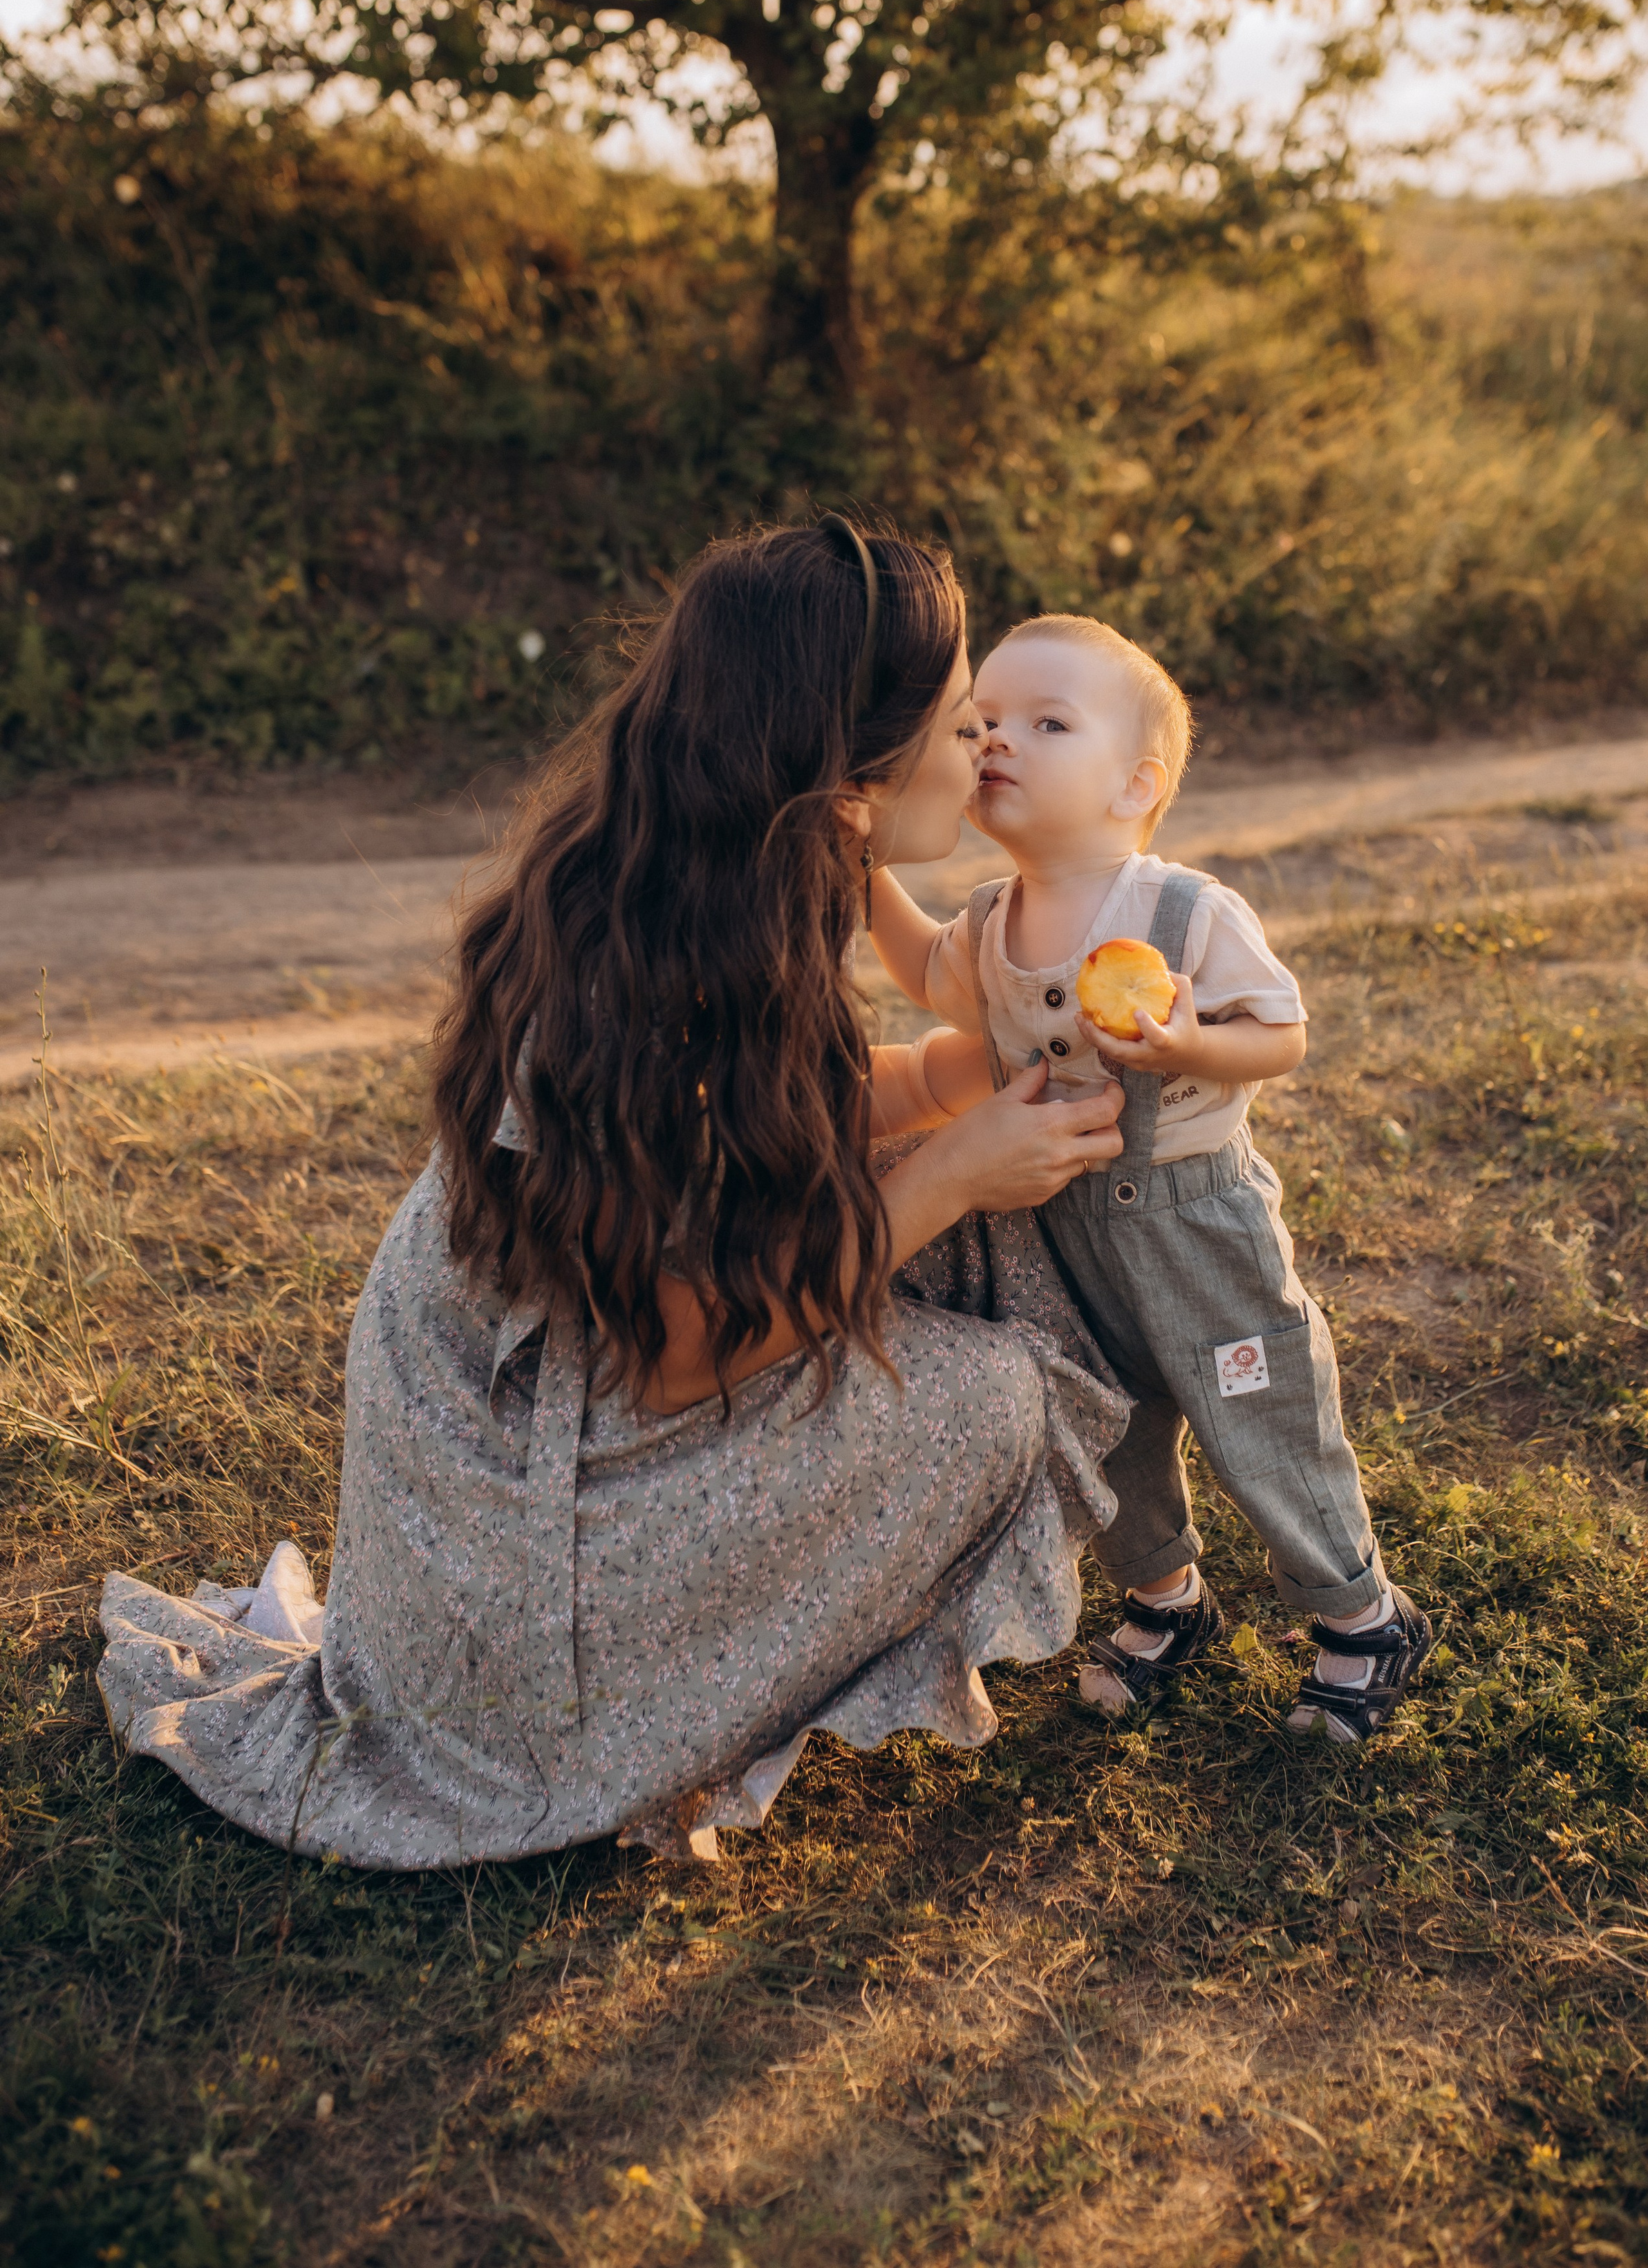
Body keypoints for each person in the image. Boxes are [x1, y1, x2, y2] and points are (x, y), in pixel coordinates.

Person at [97, 527, 1132, 1865]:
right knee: (988, 1404)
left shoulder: (711, 871)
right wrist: (943, 1170)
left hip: (555, 1415)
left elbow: (755, 1116)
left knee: (976, 1225)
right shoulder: (647, 976)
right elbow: (677, 1358)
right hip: (521, 1541)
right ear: (847, 775)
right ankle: (643, 1734)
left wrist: (951, 1076)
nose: (981, 751)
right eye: (953, 724)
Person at [866, 613, 1432, 1744]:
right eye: (984, 721)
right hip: (1065, 1229)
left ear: (1136, 784)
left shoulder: (1183, 910)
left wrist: (1189, 1050)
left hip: (1194, 1221)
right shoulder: (992, 921)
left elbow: (1280, 1034)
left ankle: (1361, 1619)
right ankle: (1168, 1600)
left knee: (1258, 1414)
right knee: (1108, 1426)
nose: (996, 741)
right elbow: (930, 973)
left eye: (1045, 722)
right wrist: (859, 874)